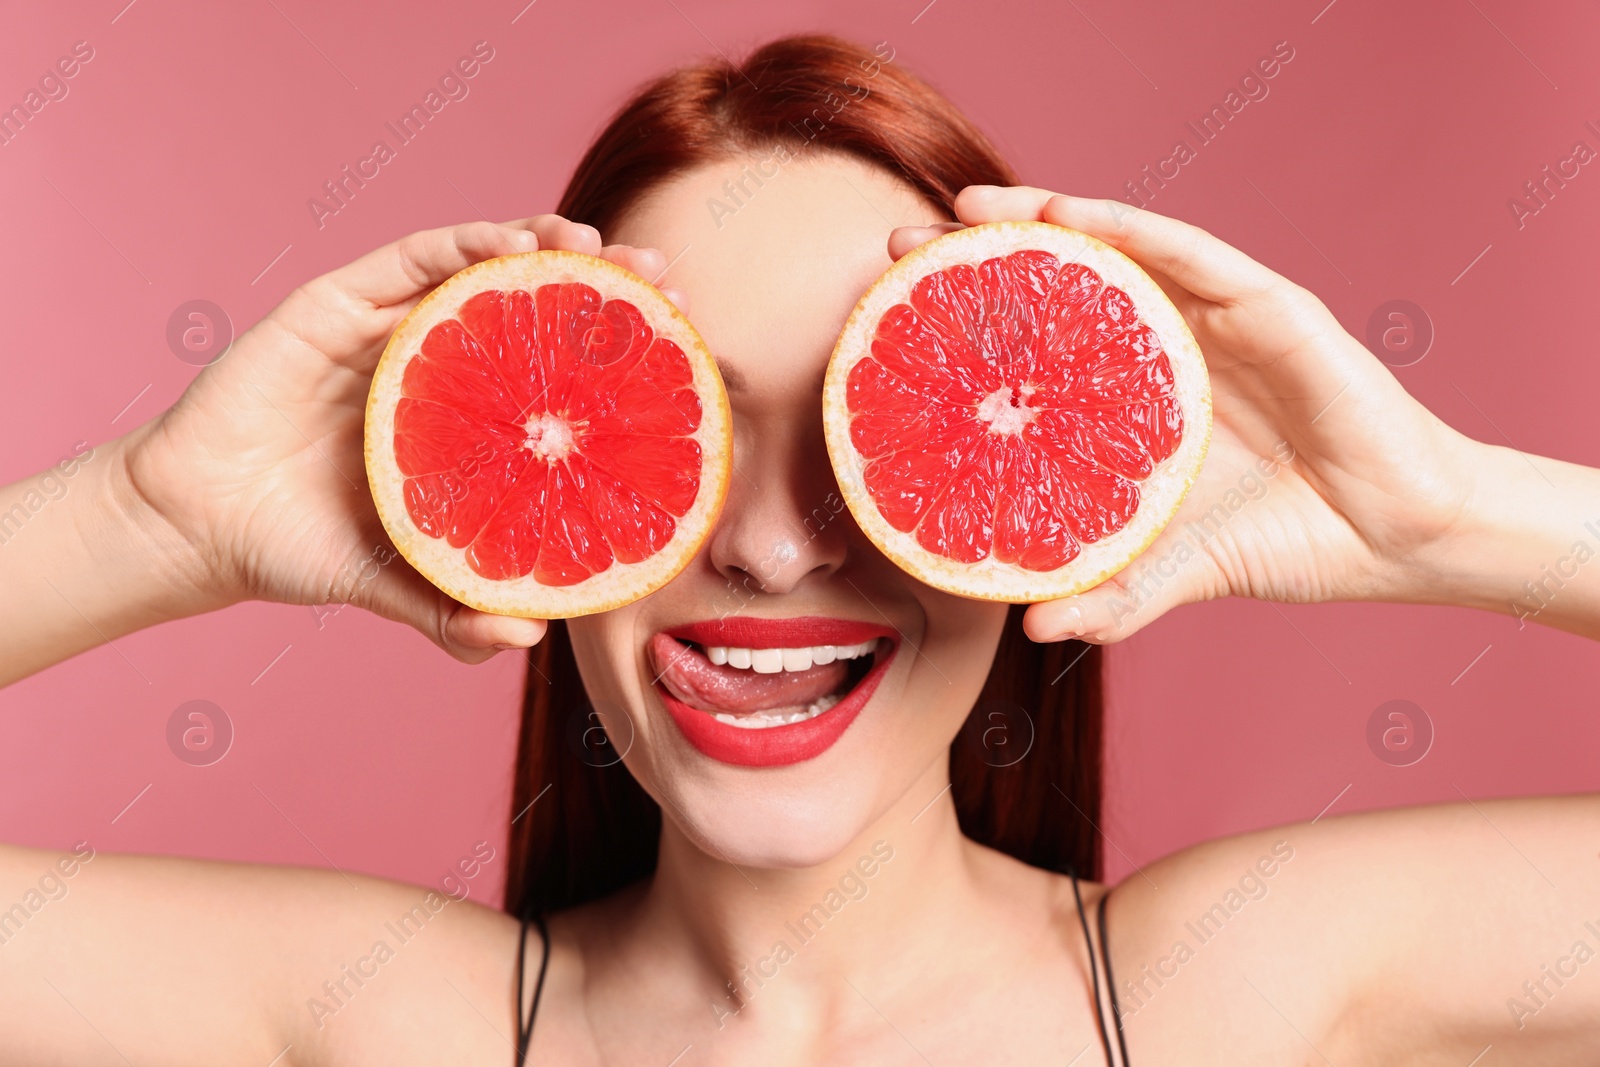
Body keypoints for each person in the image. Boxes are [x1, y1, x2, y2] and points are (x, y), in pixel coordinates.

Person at [2, 33, 1597, 1066]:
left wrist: (1440, 511)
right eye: (679, 436)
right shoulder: (387, 1023)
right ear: (542, 491)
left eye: (867, 438)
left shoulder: (1241, 997)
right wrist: (157, 519)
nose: (769, 547)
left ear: (1021, 490)